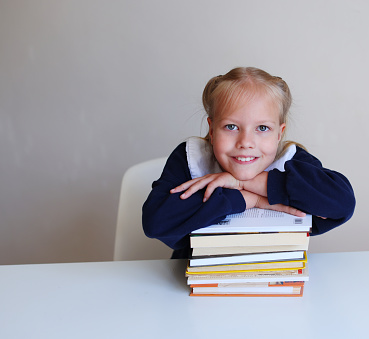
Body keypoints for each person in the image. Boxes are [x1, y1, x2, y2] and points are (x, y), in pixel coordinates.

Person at [142, 67, 355, 258]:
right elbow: (156, 222)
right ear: (212, 129)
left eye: (262, 128)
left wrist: (249, 183)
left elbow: (342, 203)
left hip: (278, 282)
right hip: (201, 287)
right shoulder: (192, 159)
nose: (246, 143)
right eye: (231, 127)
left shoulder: (290, 161)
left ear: (279, 133)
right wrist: (245, 198)